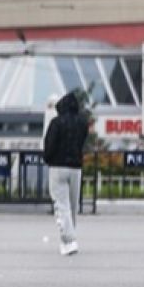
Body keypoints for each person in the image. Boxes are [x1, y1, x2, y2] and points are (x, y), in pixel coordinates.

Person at [42, 92, 88, 256]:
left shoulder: (56, 122)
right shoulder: (83, 123)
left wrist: (48, 159)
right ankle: (68, 240)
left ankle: (69, 239)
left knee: (61, 206)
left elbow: (49, 144)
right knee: (73, 205)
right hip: (76, 167)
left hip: (57, 167)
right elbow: (83, 141)